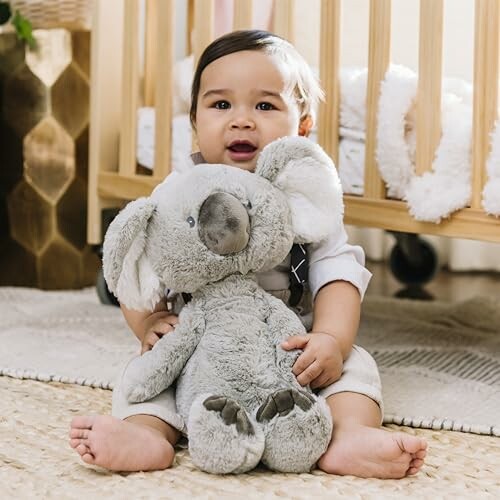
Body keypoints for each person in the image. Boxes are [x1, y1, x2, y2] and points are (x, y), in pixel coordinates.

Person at [70, 30, 427, 478]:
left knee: (356, 367)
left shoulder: (303, 192)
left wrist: (331, 341)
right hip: (199, 350)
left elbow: (338, 273)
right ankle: (146, 433)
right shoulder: (179, 193)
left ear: (302, 126)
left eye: (265, 105)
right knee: (144, 373)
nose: (241, 120)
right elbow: (140, 265)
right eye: (221, 105)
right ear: (195, 123)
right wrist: (148, 323)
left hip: (291, 354)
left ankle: (348, 433)